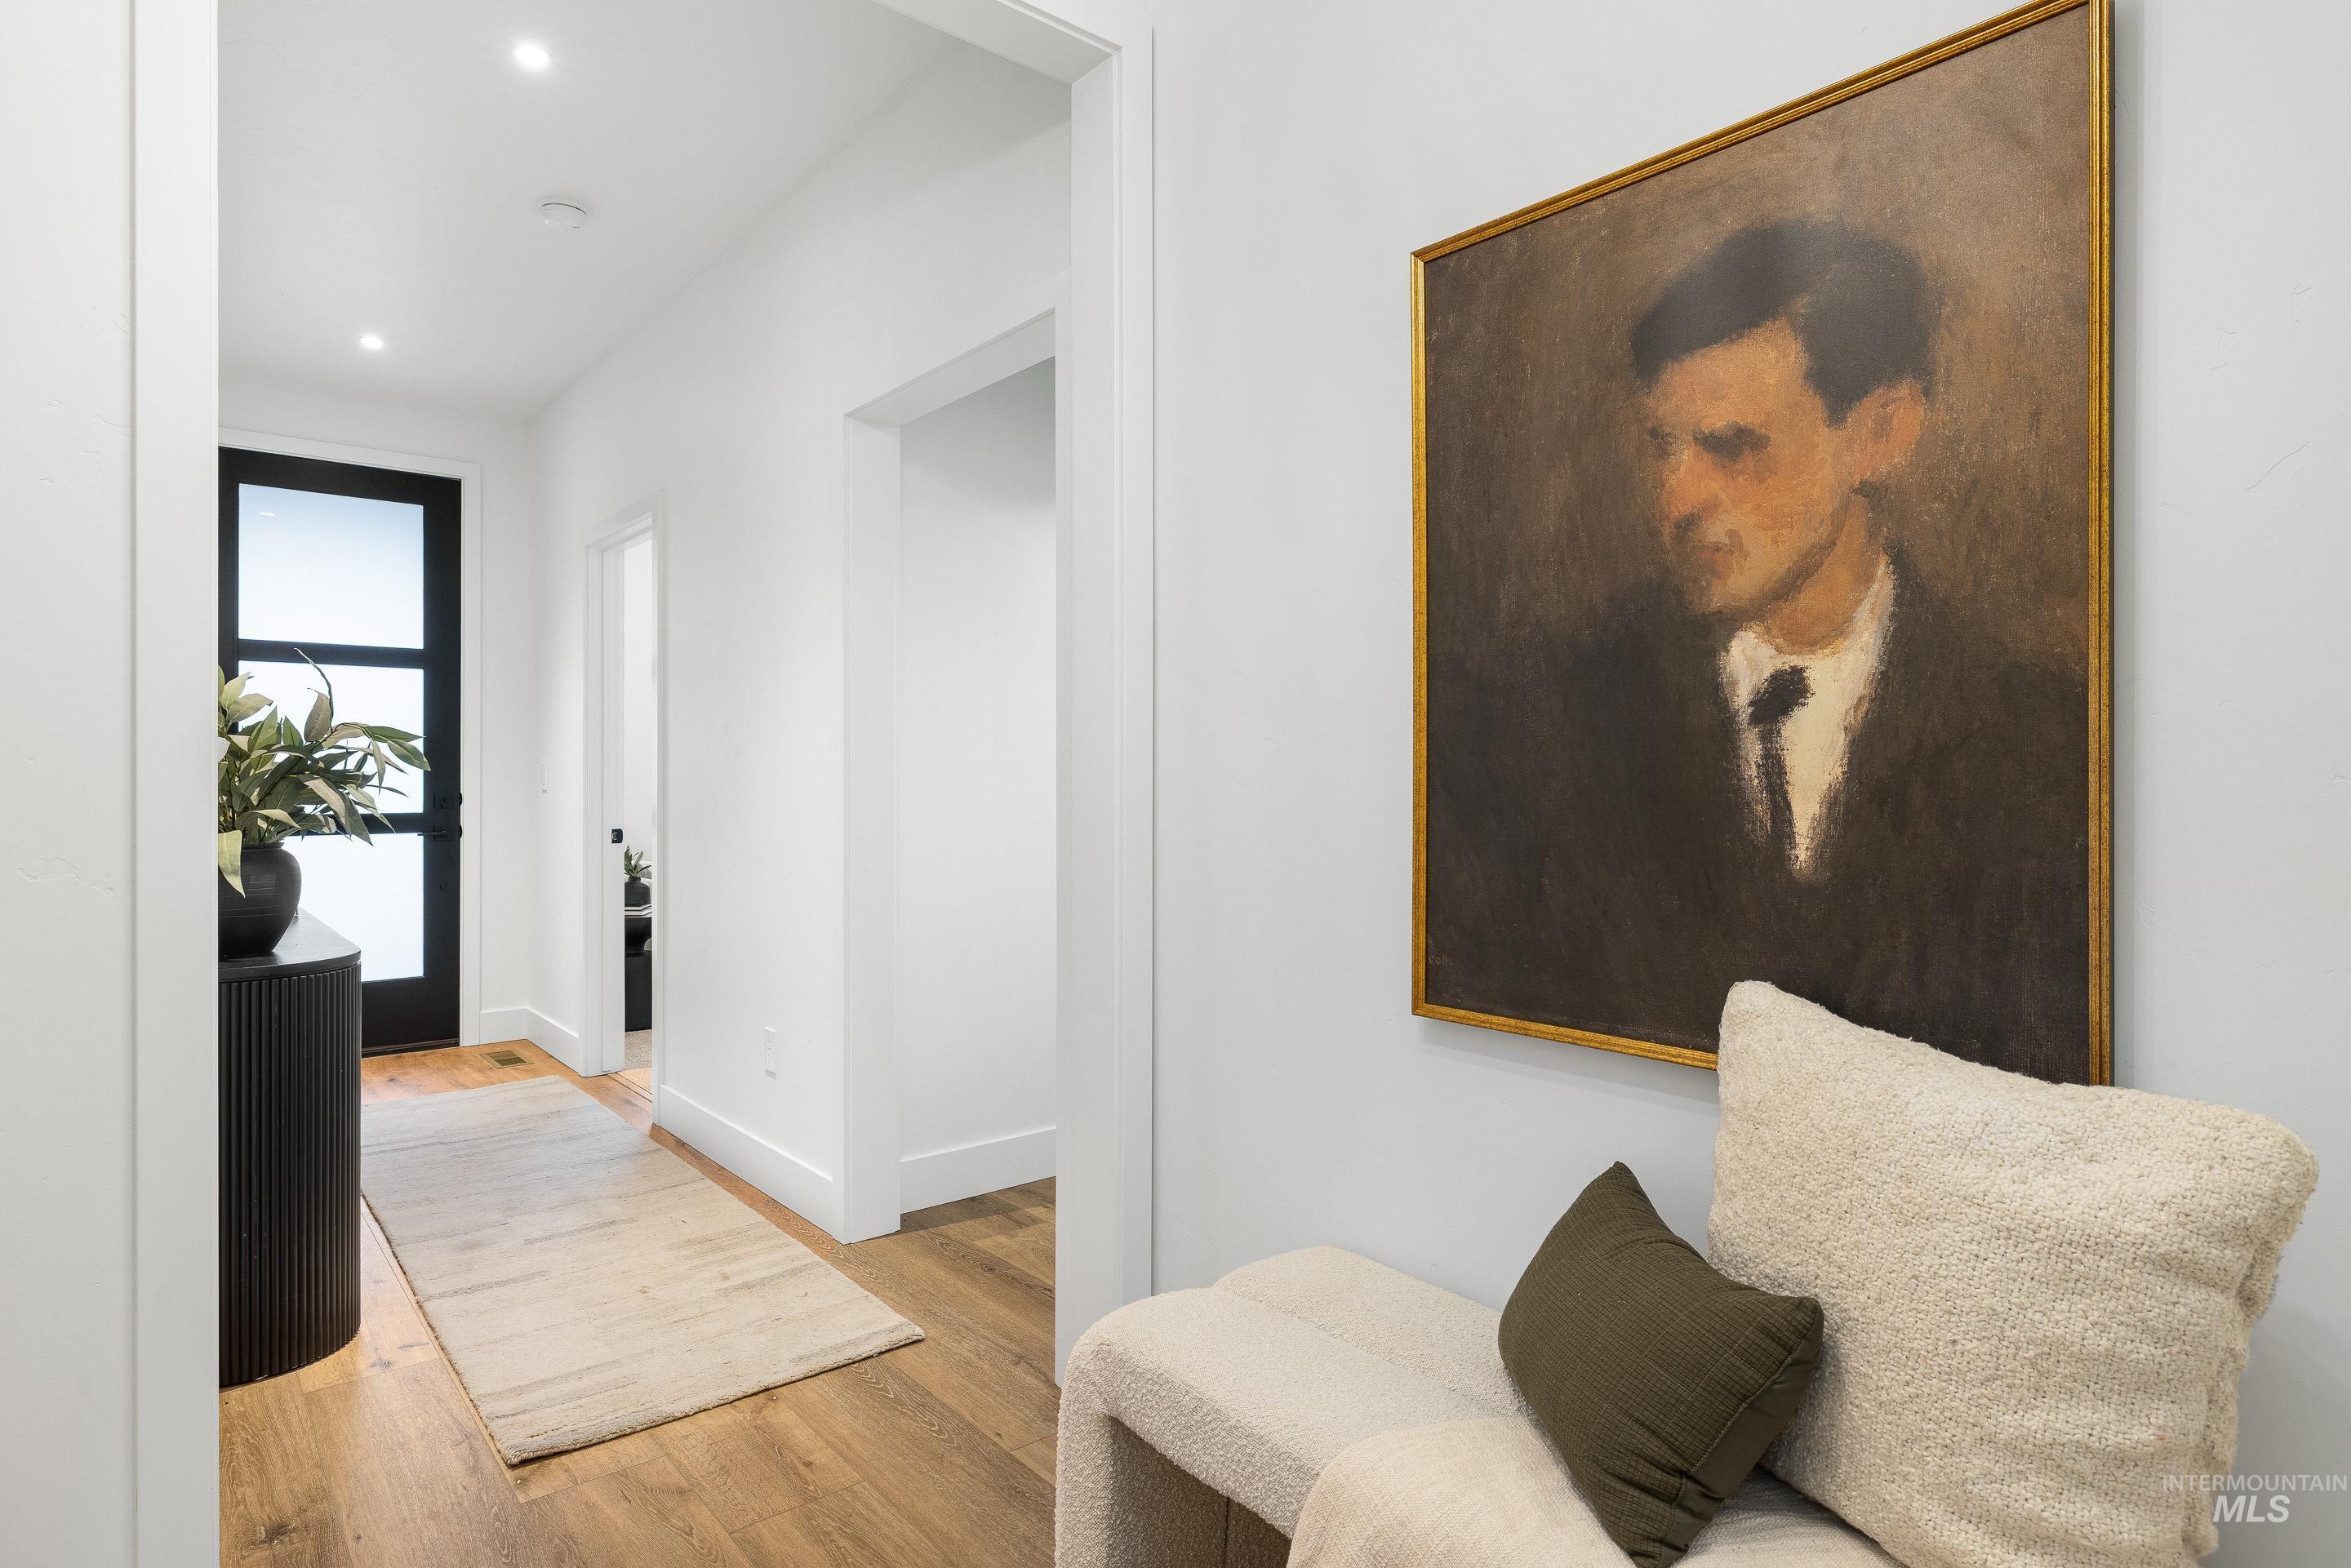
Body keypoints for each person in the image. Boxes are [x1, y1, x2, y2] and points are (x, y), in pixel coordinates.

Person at [1426, 219, 2090, 1081]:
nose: (1677, 498)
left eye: (1731, 446)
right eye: (1664, 446)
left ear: (1881, 432)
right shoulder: (1545, 717)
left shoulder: (2041, 742)